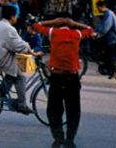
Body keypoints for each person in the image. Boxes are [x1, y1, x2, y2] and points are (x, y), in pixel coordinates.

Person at [33, 16, 95, 147]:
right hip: (72, 77)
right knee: (73, 110)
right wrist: (74, 23)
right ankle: (70, 139)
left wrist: (53, 21)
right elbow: (90, 30)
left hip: (57, 76)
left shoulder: (53, 33)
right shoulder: (77, 34)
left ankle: (58, 137)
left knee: (54, 110)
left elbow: (36, 25)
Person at [0, 5, 36, 114]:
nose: (17, 18)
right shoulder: (9, 29)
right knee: (20, 76)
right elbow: (18, 45)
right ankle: (22, 104)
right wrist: (29, 49)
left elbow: (15, 43)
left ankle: (1, 90)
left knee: (13, 71)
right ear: (12, 16)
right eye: (16, 16)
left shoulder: (1, 24)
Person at [94, 0, 116, 77]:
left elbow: (106, 27)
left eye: (98, 7)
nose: (97, 9)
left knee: (108, 53)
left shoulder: (108, 14)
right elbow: (102, 26)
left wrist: (98, 33)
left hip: (114, 37)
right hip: (113, 36)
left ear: (102, 7)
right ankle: (108, 68)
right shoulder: (108, 13)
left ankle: (113, 71)